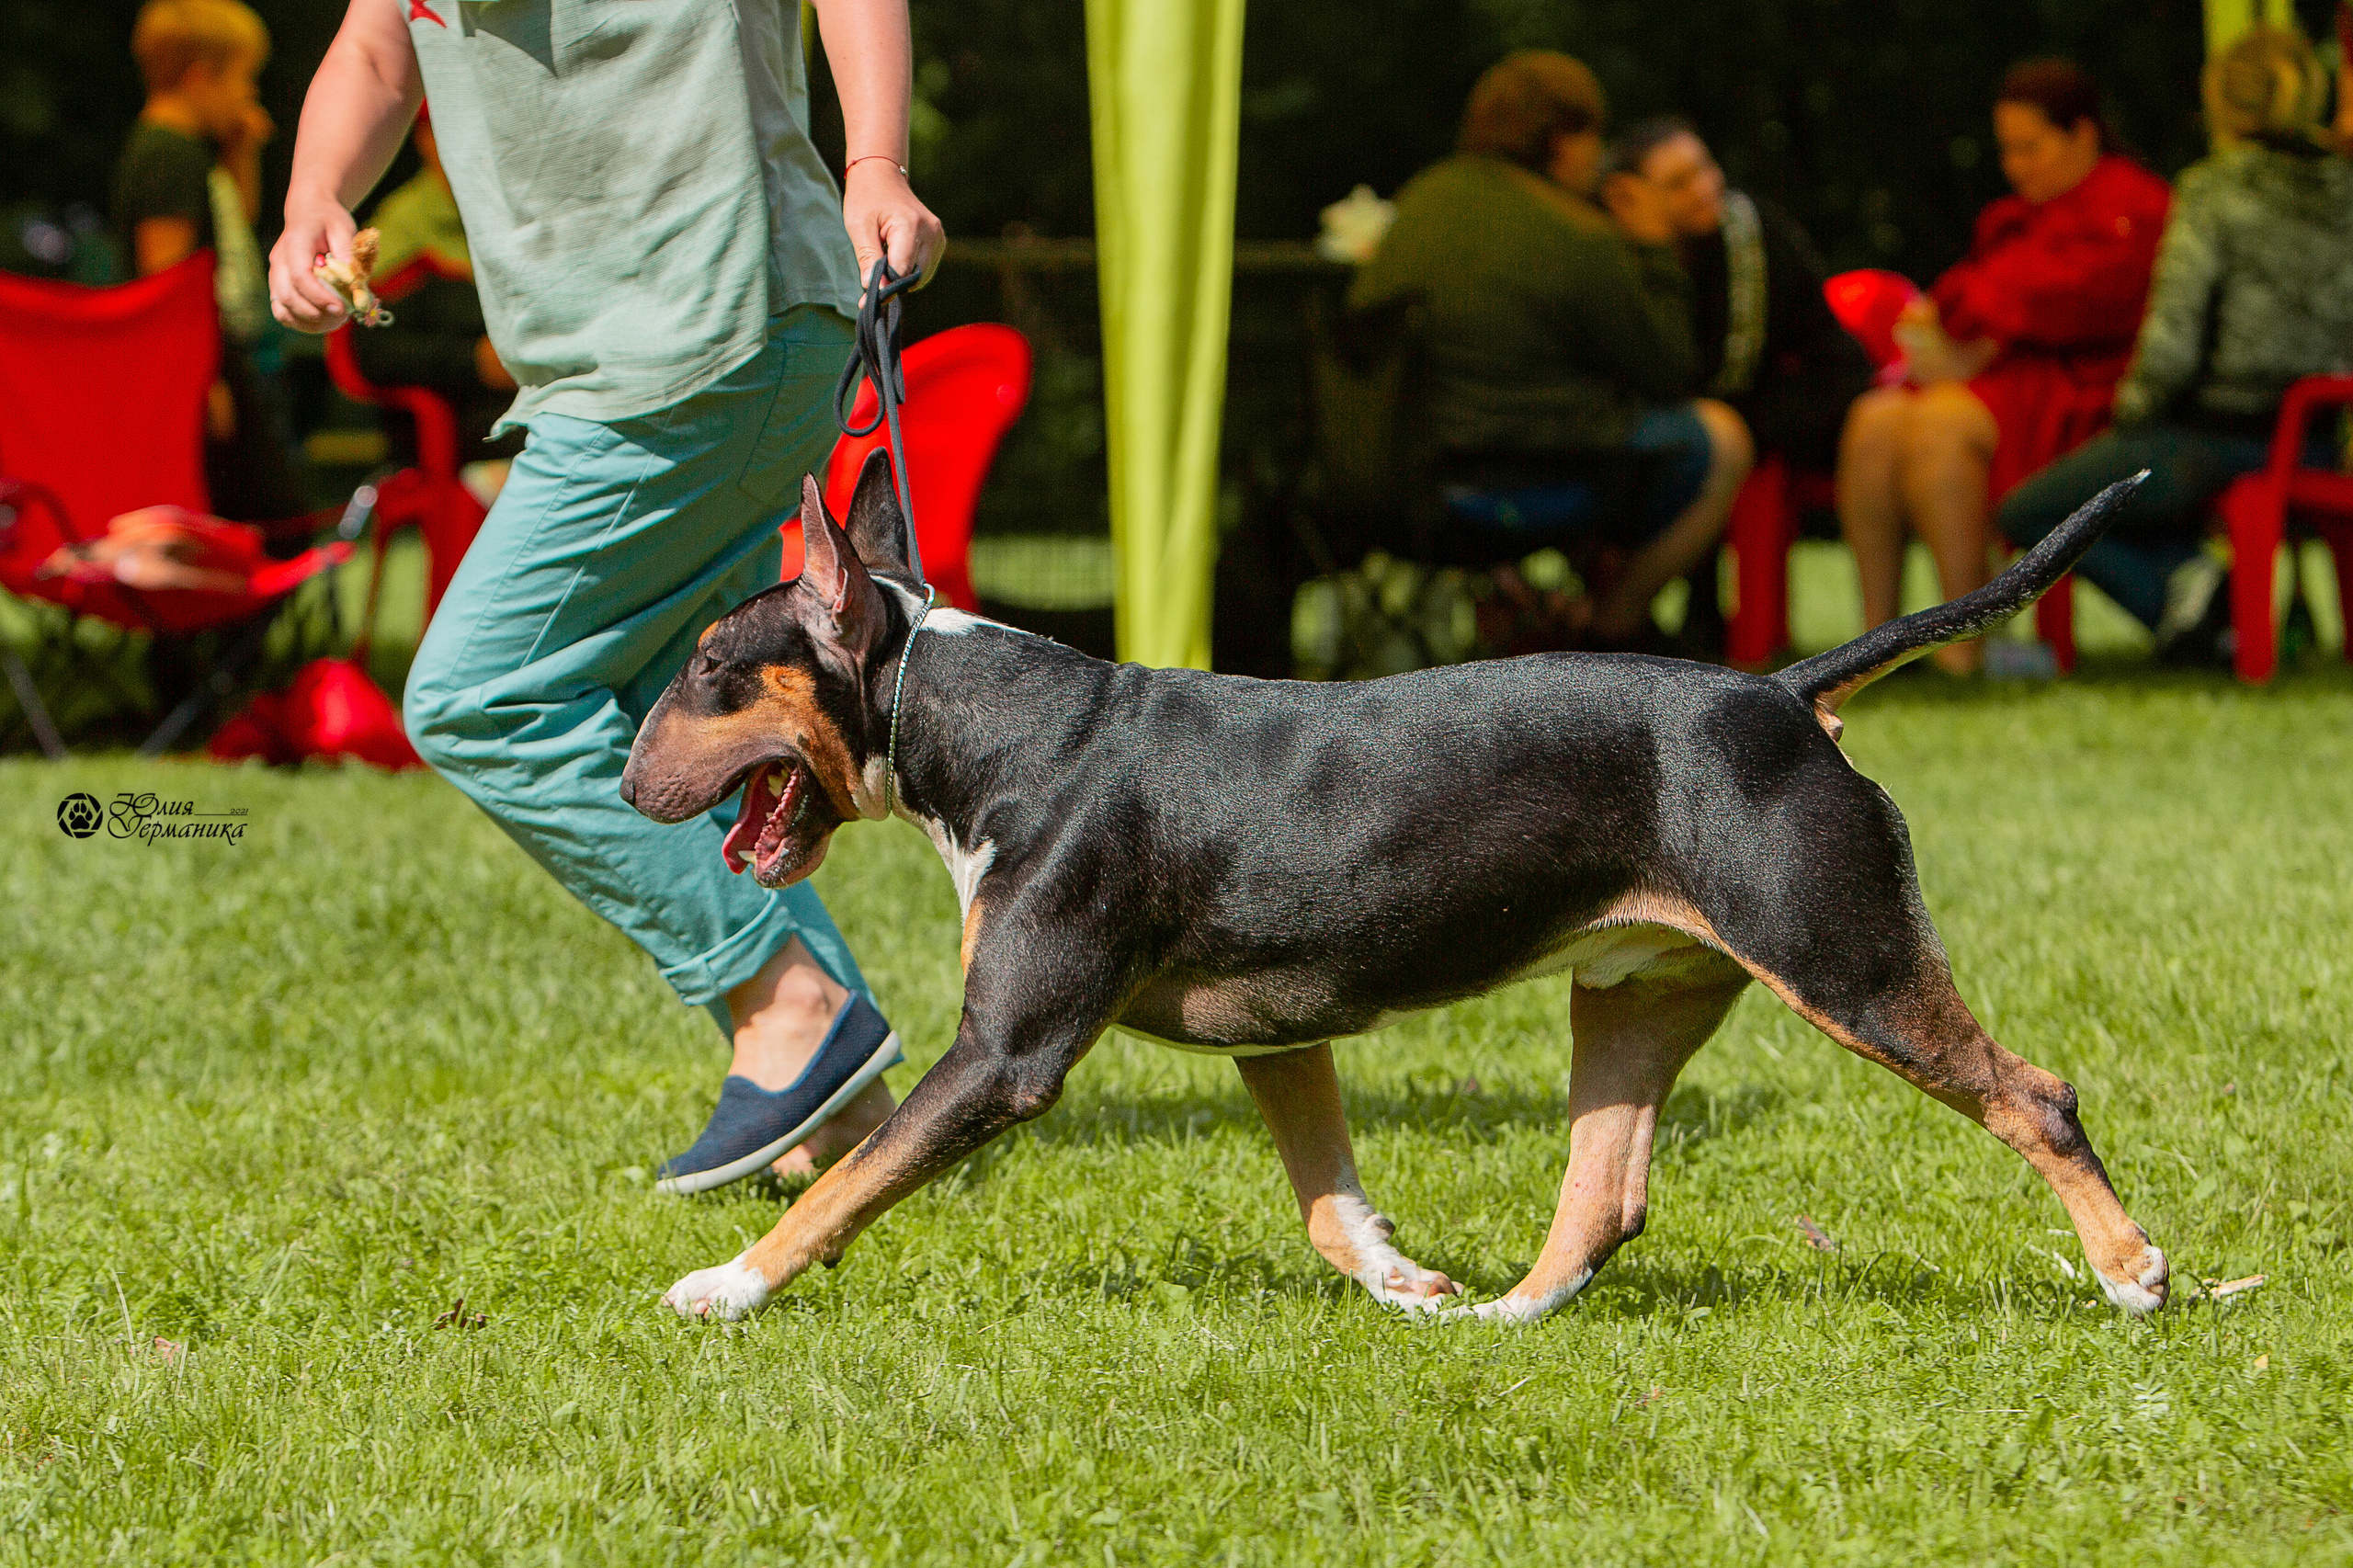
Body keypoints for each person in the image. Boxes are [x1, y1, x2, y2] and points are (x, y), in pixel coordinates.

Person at [267, 0, 945, 1194]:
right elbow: (379, 45)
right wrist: (315, 192)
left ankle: (788, 1005)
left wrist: (876, 161)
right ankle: (846, 1102)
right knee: (669, 706)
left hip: (713, 329)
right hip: (623, 356)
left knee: (483, 695)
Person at [1349, 51, 1752, 651]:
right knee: (1720, 439)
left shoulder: (1422, 200)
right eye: (1594, 138)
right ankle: (1611, 626)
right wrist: (1652, 249)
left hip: (1395, 483)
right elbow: (1668, 370)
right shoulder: (1576, 235)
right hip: (1512, 491)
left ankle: (1536, 614)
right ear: (1565, 141)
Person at [1998, 26, 2353, 663]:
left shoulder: (2213, 192)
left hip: (2215, 438)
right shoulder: (2346, 189)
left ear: (2220, 100)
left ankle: (2193, 598)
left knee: (2033, 511)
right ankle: (2207, 606)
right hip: (2322, 438)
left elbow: (2173, 342)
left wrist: (2129, 413)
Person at [1837, 60, 2170, 673]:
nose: (2016, 166)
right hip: (2010, 378)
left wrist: (1978, 329)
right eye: (2007, 151)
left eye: (2030, 148)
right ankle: (1872, 651)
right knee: (1873, 420)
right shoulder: (2022, 212)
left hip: (2085, 392)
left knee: (1940, 421)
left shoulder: (2134, 204)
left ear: (2084, 135)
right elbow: (1973, 294)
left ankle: (1967, 647)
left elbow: (2070, 304)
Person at [1600, 118, 1877, 653]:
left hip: (1754, 417)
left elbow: (1833, 353)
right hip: (1635, 423)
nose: (1704, 188)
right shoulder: (1605, 254)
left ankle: (1707, 620)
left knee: (1727, 440)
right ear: (1627, 199)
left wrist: (1761, 422)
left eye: (1705, 168)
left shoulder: (1755, 234)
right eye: (1678, 183)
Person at [112, 0, 301, 524]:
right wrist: (200, 379)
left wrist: (243, 152)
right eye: (245, 78)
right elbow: (166, 282)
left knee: (272, 507)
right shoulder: (165, 156)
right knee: (261, 514)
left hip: (218, 359)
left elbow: (232, 226)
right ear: (200, 78)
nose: (250, 94)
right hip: (201, 369)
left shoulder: (191, 149)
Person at [350, 103, 519, 498]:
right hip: (457, 407)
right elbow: (374, 346)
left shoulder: (522, 209)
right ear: (424, 140)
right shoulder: (400, 227)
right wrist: (473, 361)